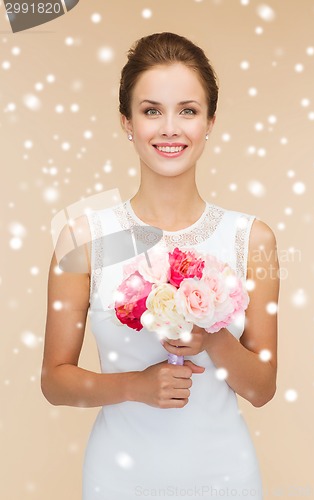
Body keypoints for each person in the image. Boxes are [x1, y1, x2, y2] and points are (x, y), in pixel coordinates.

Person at [41, 32, 280, 499]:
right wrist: (136, 386)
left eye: (187, 111)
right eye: (152, 111)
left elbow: (262, 388)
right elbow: (54, 381)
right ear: (127, 123)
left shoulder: (253, 240)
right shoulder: (82, 239)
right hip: (119, 479)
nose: (170, 128)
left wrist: (210, 337)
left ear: (210, 121)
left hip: (224, 478)